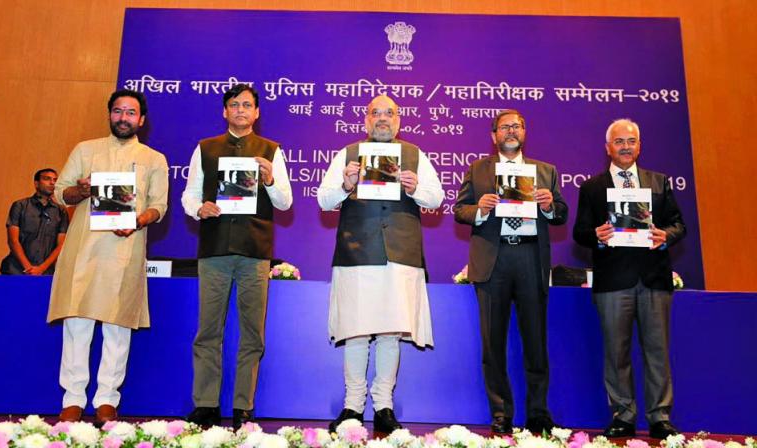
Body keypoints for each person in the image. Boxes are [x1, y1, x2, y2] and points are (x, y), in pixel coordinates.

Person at [318, 94, 444, 433]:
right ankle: (352, 407)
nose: (383, 119)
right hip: (357, 253)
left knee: (390, 332)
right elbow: (323, 199)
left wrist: (416, 187)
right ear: (366, 120)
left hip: (400, 256)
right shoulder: (347, 154)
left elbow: (437, 198)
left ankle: (384, 406)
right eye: (376, 113)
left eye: (390, 113)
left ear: (399, 120)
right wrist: (346, 184)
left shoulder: (415, 155)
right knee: (356, 332)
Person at [47, 89, 169, 425]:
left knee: (118, 328)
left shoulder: (153, 159)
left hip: (125, 251)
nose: (123, 118)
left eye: (131, 113)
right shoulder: (85, 150)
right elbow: (61, 194)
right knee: (78, 324)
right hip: (83, 250)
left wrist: (137, 219)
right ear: (110, 114)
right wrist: (82, 190)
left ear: (141, 120)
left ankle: (106, 401)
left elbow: (159, 206)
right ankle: (72, 400)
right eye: (118, 111)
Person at [181, 84, 292, 429]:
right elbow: (189, 195)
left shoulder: (271, 151)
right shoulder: (206, 148)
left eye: (247, 105)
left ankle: (244, 406)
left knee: (252, 333)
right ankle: (206, 405)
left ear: (257, 113)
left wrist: (270, 179)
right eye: (234, 104)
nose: (241, 110)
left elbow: (285, 202)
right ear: (224, 111)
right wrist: (201, 208)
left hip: (254, 252)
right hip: (214, 249)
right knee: (208, 331)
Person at [454, 110, 567, 434]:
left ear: (525, 132)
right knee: (493, 343)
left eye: (516, 126)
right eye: (505, 127)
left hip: (530, 258)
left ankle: (538, 412)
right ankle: (500, 412)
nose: (511, 131)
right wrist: (481, 210)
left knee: (535, 341)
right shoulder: (478, 170)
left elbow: (560, 214)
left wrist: (547, 206)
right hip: (494, 260)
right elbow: (459, 210)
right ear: (493, 135)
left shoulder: (545, 172)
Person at [573, 118, 685, 439]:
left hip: (654, 279)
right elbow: (580, 232)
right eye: (619, 141)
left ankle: (659, 417)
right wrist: (595, 235)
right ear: (608, 147)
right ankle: (622, 415)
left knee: (657, 351)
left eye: (631, 141)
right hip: (612, 282)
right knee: (616, 352)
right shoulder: (592, 187)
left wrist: (666, 235)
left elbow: (679, 225)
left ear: (639, 146)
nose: (625, 147)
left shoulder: (659, 182)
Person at [0, 168, 69, 275]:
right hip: (16, 270)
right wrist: (28, 268)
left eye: (55, 180)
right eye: (47, 179)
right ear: (36, 183)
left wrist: (41, 268)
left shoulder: (61, 211)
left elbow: (61, 245)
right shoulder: (20, 206)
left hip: (45, 272)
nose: (52, 183)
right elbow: (13, 240)